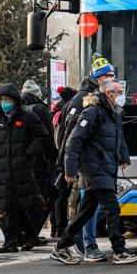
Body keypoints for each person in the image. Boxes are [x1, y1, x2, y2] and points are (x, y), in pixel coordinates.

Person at [50, 78, 137, 265]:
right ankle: (119, 249)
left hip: (104, 167)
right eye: (119, 92)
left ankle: (61, 247)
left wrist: (124, 157)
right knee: (112, 208)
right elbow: (73, 141)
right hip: (94, 168)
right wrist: (71, 168)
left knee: (86, 212)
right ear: (109, 94)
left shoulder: (113, 113)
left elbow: (118, 137)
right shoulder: (92, 112)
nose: (122, 96)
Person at [0, 83, 51, 253]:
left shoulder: (27, 117)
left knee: (21, 205)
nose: (4, 102)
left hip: (23, 168)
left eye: (7, 99)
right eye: (1, 99)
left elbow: (42, 136)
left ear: (15, 100)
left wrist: (27, 153)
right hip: (4, 170)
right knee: (10, 205)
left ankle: (19, 238)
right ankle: (19, 238)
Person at [21, 80, 58, 246]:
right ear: (38, 95)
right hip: (39, 162)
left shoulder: (16, 108)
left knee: (23, 197)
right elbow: (48, 137)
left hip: (19, 161)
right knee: (41, 197)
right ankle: (32, 233)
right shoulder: (41, 109)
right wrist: (53, 158)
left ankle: (22, 232)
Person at [49, 86, 77, 237]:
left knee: (59, 194)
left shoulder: (55, 112)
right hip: (63, 159)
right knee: (62, 194)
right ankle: (60, 228)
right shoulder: (64, 114)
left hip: (57, 158)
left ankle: (56, 228)